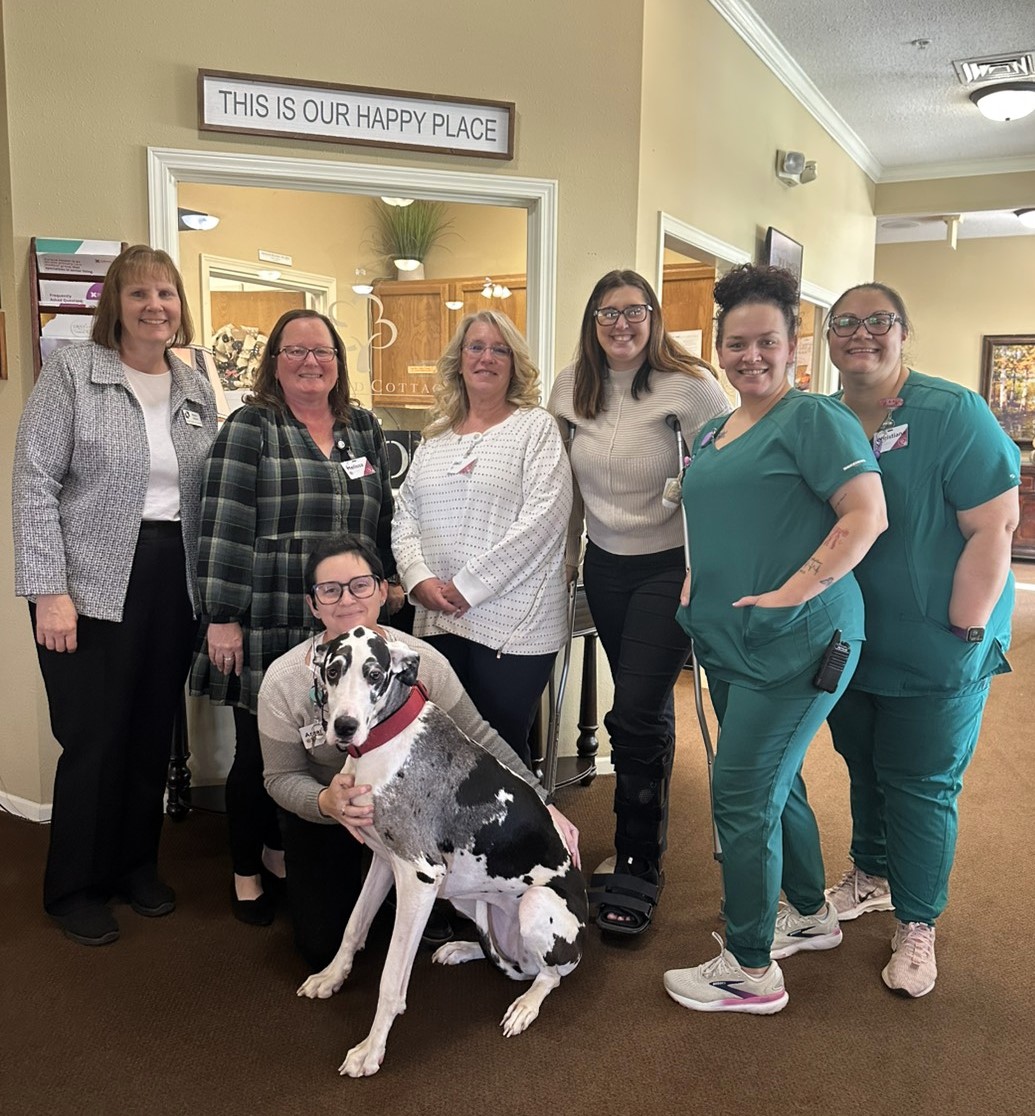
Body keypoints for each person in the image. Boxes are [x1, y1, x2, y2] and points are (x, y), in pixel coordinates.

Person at [661, 264, 887, 1014]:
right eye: (734, 343)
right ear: (717, 348)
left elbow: (864, 517)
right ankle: (811, 913)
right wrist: (700, 580)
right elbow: (717, 521)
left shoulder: (814, 419)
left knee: (741, 793)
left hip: (797, 640)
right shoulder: (714, 430)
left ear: (794, 346)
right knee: (772, 781)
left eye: (766, 341)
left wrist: (793, 591)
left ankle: (750, 967)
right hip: (729, 641)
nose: (748, 355)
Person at [12, 245, 217, 946]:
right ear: (114, 306)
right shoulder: (75, 371)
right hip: (88, 580)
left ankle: (135, 866)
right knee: (92, 738)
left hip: (171, 575)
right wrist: (48, 589)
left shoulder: (194, 386)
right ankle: (74, 886)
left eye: (166, 293)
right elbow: (34, 479)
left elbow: (203, 491)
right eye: (139, 295)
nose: (154, 306)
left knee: (148, 735)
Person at [822, 282, 1020, 998]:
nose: (860, 333)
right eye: (843, 322)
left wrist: (966, 630)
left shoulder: (951, 410)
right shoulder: (826, 416)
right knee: (866, 766)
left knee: (922, 784)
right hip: (849, 639)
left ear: (903, 332)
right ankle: (870, 874)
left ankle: (916, 920)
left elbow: (993, 526)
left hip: (939, 640)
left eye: (878, 321)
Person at [258, 535, 581, 970]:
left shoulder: (418, 660)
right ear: (313, 604)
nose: (347, 599)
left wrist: (543, 800)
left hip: (411, 817)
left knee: (430, 883)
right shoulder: (284, 679)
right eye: (330, 590)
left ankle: (406, 900)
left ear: (382, 591)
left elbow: (478, 736)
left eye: (360, 585)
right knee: (318, 942)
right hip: (327, 813)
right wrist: (325, 803)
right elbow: (279, 778)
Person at [189, 309, 401, 926]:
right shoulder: (251, 427)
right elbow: (223, 525)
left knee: (323, 751)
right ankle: (246, 872)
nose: (311, 362)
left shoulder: (363, 428)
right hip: (269, 615)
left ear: (338, 361)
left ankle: (285, 853)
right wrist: (222, 616)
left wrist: (385, 583)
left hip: (343, 620)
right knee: (261, 755)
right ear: (274, 363)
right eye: (296, 351)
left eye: (323, 352)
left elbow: (380, 519)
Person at [547, 269, 730, 934]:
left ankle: (636, 859)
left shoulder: (692, 387)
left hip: (667, 567)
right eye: (605, 314)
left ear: (653, 317)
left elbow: (725, 477)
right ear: (591, 322)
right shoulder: (571, 386)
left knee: (630, 713)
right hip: (604, 565)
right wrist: (566, 558)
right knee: (642, 707)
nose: (620, 325)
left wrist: (706, 566)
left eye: (632, 312)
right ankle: (644, 827)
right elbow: (561, 481)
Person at [392, 311, 571, 768]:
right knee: (443, 744)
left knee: (501, 744)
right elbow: (404, 513)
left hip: (513, 625)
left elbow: (544, 520)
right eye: (476, 347)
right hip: (437, 617)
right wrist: (418, 579)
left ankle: (518, 838)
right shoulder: (434, 440)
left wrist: (468, 586)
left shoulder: (536, 428)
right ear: (459, 360)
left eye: (499, 349)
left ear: (514, 364)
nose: (486, 357)